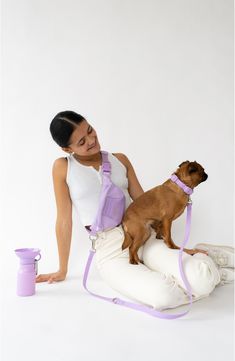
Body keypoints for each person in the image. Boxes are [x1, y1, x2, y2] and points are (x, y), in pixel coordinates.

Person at [36, 110, 234, 310]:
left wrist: (175, 246)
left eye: (90, 130)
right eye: (81, 142)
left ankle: (209, 264)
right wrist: (62, 269)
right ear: (66, 149)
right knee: (164, 297)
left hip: (145, 233)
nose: (91, 140)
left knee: (201, 277)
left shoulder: (120, 159)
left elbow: (144, 202)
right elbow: (64, 220)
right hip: (111, 249)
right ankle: (206, 277)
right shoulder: (62, 167)